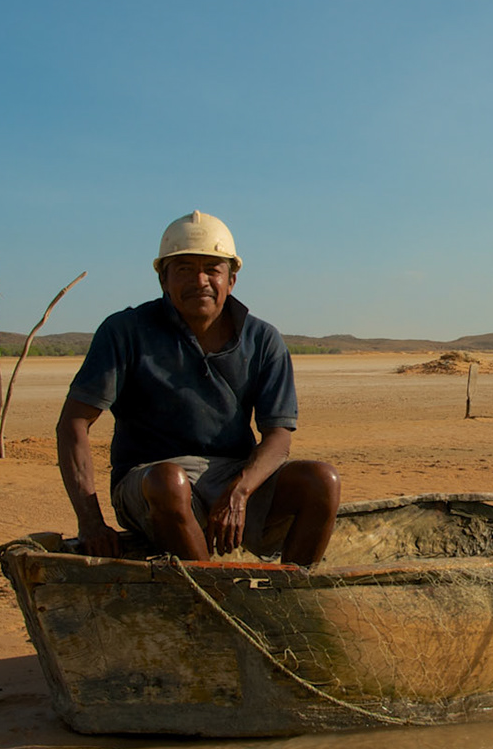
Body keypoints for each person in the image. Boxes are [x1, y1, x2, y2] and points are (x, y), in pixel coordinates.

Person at [55, 211, 339, 565]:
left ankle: (291, 593)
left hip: (232, 475)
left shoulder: (262, 339)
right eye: (184, 268)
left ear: (231, 279)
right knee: (169, 481)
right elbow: (73, 423)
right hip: (150, 481)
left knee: (321, 480)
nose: (199, 280)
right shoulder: (125, 331)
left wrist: (240, 490)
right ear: (163, 278)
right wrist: (91, 522)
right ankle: (215, 597)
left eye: (212, 269)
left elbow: (278, 437)